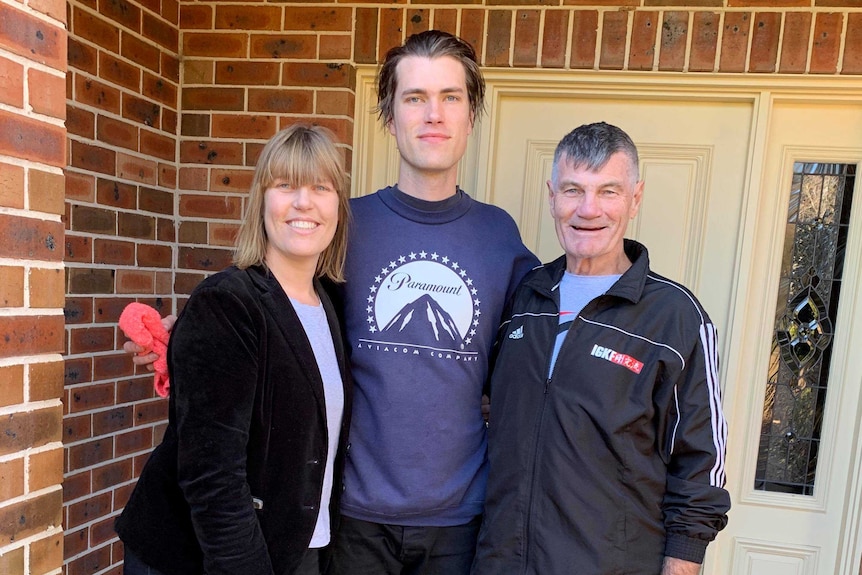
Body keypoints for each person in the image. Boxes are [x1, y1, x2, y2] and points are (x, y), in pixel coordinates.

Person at [471, 122, 730, 575]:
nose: (588, 210)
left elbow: (700, 466)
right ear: (552, 196)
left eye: (608, 191)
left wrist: (683, 564)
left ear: (635, 197)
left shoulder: (674, 316)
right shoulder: (524, 297)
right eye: (573, 190)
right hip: (500, 561)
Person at [329, 30, 538, 574]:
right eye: (415, 97)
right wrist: (185, 336)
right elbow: (271, 311)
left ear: (471, 116)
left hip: (460, 521)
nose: (433, 114)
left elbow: (547, 347)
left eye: (450, 97)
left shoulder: (499, 237)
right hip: (353, 516)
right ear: (390, 116)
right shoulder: (342, 226)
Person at [115, 124, 353, 575]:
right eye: (285, 185)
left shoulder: (331, 304)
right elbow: (212, 476)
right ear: (262, 201)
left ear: (338, 207)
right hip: (207, 558)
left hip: (298, 547)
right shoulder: (228, 302)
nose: (304, 202)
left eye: (320, 187)